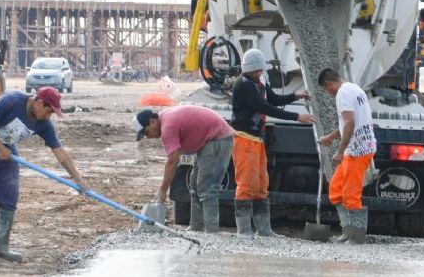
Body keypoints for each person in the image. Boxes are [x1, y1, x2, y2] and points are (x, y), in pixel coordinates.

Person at [0, 87, 87, 261]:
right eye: (49, 111)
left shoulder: (44, 124)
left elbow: (59, 152)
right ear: (40, 102)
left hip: (5, 154)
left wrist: (78, 179)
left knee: (9, 197)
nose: (49, 117)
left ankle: (2, 247)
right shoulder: (12, 101)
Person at [230, 49, 315, 236]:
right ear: (247, 69)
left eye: (260, 70)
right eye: (255, 71)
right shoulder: (242, 85)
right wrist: (297, 116)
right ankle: (243, 231)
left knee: (261, 183)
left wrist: (295, 96)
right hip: (244, 139)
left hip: (258, 139)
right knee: (246, 184)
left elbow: (274, 100)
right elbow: (265, 107)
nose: (258, 73)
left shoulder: (260, 81)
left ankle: (264, 229)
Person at [134, 105, 234, 234]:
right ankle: (196, 228)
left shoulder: (167, 126)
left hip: (218, 139)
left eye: (147, 132)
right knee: (195, 185)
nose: (148, 137)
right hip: (209, 141)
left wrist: (162, 190)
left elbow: (173, 161)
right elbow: (175, 157)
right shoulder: (165, 118)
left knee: (207, 187)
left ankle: (212, 233)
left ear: (152, 122)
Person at [317, 68, 376, 244]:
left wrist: (340, 151)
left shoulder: (342, 94)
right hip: (359, 148)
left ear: (327, 84)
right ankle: (347, 232)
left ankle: (356, 237)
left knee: (350, 195)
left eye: (325, 89)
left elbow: (350, 122)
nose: (327, 93)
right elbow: (348, 123)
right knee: (336, 189)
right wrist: (330, 137)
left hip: (358, 150)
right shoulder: (354, 89)